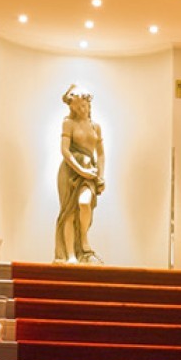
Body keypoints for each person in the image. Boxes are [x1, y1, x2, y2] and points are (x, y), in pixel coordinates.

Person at [54, 85, 105, 263]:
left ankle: (83, 237)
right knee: (69, 213)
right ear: (72, 108)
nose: (82, 110)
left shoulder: (95, 127)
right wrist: (81, 170)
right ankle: (70, 255)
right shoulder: (68, 123)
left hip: (89, 171)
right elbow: (65, 151)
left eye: (84, 106)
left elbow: (101, 154)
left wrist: (100, 177)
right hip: (70, 170)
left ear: (89, 104)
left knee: (84, 203)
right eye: (77, 107)